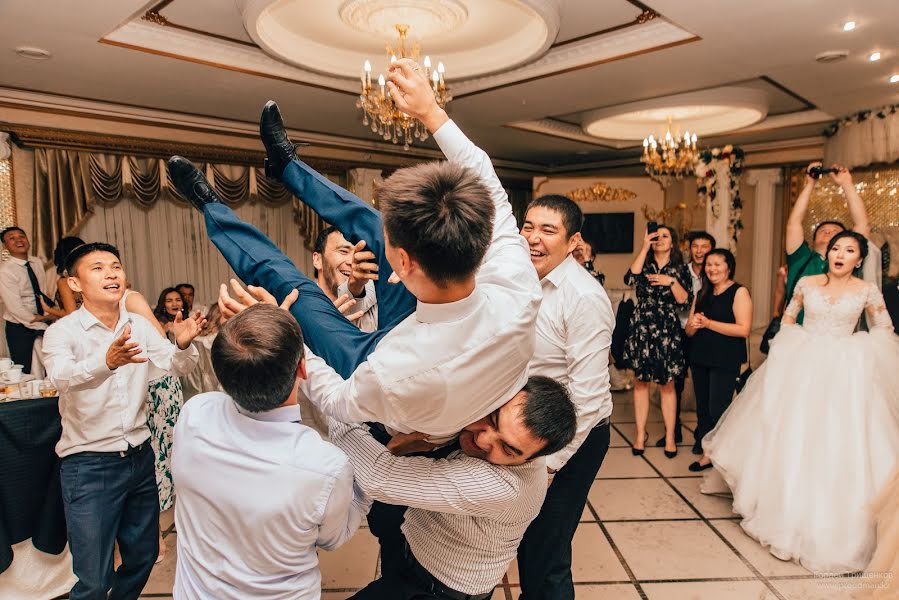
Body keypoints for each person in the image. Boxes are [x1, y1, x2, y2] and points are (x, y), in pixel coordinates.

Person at [217, 282, 577, 600]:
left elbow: (379, 477)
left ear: (535, 459)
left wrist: (330, 392)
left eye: (508, 449)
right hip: (413, 549)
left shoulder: (503, 487)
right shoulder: (476, 407)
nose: (483, 440)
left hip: (438, 589)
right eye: (494, 420)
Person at [702, 231, 899, 573]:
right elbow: (788, 320)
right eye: (836, 248)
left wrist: (858, 348)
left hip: (844, 374)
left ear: (859, 259)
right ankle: (783, 520)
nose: (840, 254)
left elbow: (884, 328)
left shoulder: (867, 290)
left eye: (849, 250)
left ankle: (832, 529)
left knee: (838, 442)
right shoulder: (807, 283)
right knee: (793, 438)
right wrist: (799, 344)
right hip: (804, 368)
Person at [172, 303, 367, 600]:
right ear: (303, 368)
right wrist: (367, 487)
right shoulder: (324, 465)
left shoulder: (195, 415)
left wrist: (273, 335)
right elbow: (332, 538)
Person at [41, 242, 202, 600]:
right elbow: (61, 379)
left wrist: (183, 345)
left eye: (115, 266)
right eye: (97, 268)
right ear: (75, 284)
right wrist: (107, 361)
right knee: (94, 580)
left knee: (144, 557)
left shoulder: (140, 328)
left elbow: (175, 367)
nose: (111, 273)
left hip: (138, 459)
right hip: (89, 464)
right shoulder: (62, 333)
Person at [517, 194, 614, 599]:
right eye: (528, 227)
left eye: (548, 230)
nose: (534, 238)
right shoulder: (518, 278)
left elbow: (587, 400)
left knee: (546, 551)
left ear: (573, 241)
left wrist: (552, 462)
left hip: (573, 436)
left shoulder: (585, 298)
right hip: (530, 424)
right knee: (523, 539)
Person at [622, 224, 693, 457]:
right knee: (640, 382)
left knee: (668, 384)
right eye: (656, 236)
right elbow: (629, 279)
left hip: (666, 329)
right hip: (642, 327)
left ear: (673, 243)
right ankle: (641, 434)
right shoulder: (644, 263)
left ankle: (671, 436)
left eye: (665, 236)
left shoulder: (681, 269)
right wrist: (643, 248)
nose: (660, 239)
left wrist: (669, 281)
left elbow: (684, 301)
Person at [683, 249, 751, 472]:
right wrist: (692, 326)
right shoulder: (702, 292)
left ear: (728, 267)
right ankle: (707, 451)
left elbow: (743, 329)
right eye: (709, 265)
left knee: (718, 409)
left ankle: (720, 453)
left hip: (725, 359)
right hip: (700, 356)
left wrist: (710, 324)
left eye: (717, 264)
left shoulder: (739, 292)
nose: (712, 269)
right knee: (702, 409)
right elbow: (690, 330)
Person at [783, 162, 871, 322]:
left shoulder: (848, 261)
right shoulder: (801, 258)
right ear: (814, 240)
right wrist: (810, 184)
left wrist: (846, 183)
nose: (829, 232)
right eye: (823, 231)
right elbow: (794, 223)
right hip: (799, 338)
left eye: (835, 232)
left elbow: (862, 225)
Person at [0, 226, 55, 373]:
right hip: (19, 327)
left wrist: (49, 316)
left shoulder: (36, 262)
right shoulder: (5, 270)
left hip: (43, 320)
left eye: (21, 236)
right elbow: (14, 307)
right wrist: (39, 320)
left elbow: (42, 293)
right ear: (5, 246)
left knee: (48, 367)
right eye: (12, 238)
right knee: (24, 370)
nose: (18, 240)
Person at [312, 225, 378, 332]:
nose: (353, 261)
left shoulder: (378, 307)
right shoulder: (301, 307)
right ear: (317, 260)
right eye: (343, 251)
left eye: (359, 253)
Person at [39, 236, 86, 319]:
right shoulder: (86, 276)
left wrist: (48, 309)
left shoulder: (65, 281)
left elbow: (71, 314)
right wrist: (43, 318)